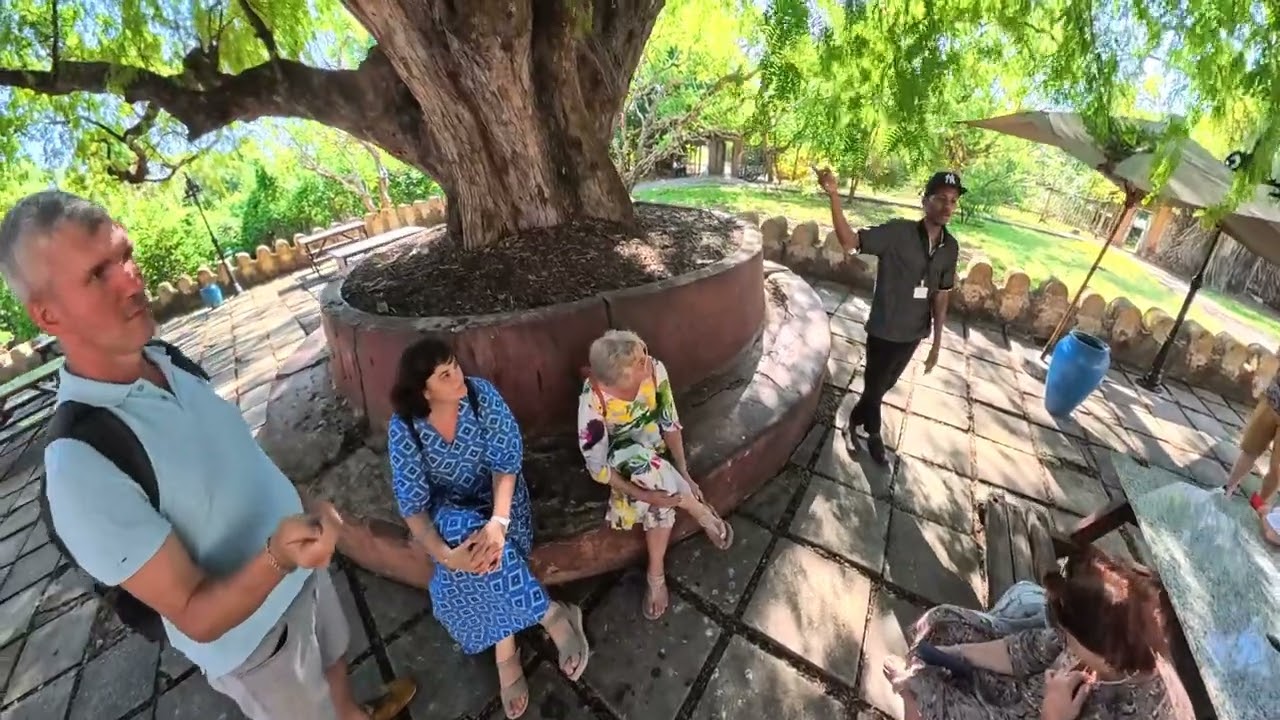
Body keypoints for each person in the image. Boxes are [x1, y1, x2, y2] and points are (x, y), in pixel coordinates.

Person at [1, 191, 415, 720]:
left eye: (125, 255)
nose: (132, 280)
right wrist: (277, 557)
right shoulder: (82, 463)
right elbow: (194, 613)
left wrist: (297, 525)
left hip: (301, 570)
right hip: (254, 641)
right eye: (97, 274)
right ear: (47, 314)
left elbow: (226, 460)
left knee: (334, 665)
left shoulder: (163, 356)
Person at [386, 338, 589, 720]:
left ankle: (506, 655)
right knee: (463, 544)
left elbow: (505, 466)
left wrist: (497, 523)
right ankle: (552, 614)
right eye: (444, 375)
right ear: (423, 390)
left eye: (455, 366)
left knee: (484, 544)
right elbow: (413, 507)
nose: (458, 376)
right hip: (449, 517)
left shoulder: (480, 397)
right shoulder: (405, 428)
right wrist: (446, 556)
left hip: (503, 503)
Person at [885, 547, 1193, 720]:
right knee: (940, 624)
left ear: (1109, 659)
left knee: (918, 692)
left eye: (1070, 638)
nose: (1063, 639)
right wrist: (957, 654)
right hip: (1020, 696)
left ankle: (909, 694)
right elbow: (1023, 651)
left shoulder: (1147, 712)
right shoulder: (1108, 629)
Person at [576, 330, 733, 621]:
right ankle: (697, 509)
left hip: (653, 450)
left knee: (657, 487)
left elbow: (668, 422)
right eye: (637, 362)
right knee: (645, 470)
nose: (646, 361)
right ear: (619, 379)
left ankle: (656, 574)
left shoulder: (655, 370)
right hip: (621, 456)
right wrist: (644, 495)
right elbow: (598, 467)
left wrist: (683, 471)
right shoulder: (593, 398)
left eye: (643, 352)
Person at [816, 168, 963, 464]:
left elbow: (942, 294)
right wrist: (834, 195)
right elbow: (849, 242)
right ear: (925, 201)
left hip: (914, 333)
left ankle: (854, 420)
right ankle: (874, 433)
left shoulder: (950, 248)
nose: (947, 206)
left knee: (882, 386)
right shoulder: (898, 233)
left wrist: (936, 344)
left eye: (953, 201)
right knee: (875, 384)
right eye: (941, 199)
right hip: (884, 329)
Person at [1222, 372, 1280, 514]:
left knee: (1277, 467)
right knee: (1250, 448)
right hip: (1272, 400)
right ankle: (1228, 489)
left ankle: (1258, 504)